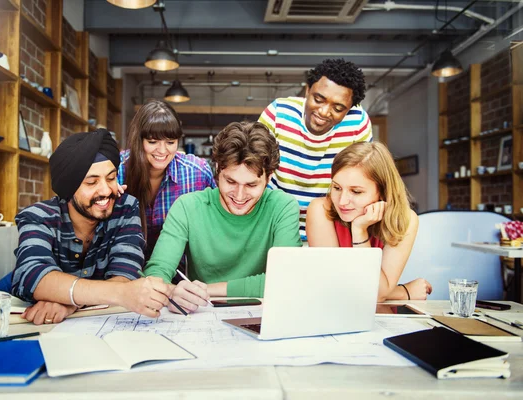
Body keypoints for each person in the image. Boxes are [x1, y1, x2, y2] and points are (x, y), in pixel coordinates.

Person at [11, 129, 172, 325]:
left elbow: (125, 276)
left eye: (111, 178)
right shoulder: (38, 216)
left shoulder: (125, 209)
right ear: (69, 189)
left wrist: (68, 302)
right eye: (91, 182)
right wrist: (114, 293)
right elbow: (32, 275)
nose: (105, 190)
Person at [144, 121, 302, 313]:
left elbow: (286, 279)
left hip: (263, 315)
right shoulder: (187, 207)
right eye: (230, 181)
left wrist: (206, 291)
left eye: (251, 185)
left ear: (268, 178)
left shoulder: (283, 207)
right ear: (217, 170)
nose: (240, 195)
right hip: (201, 315)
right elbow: (155, 274)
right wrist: (171, 292)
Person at [259, 58, 372, 239]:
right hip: (274, 224)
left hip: (328, 227)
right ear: (307, 90)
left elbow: (360, 179)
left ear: (349, 108)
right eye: (318, 99)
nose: (324, 112)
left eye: (338, 108)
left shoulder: (357, 122)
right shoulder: (278, 113)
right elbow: (256, 171)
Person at [306, 142, 432, 301]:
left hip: (380, 314)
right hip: (334, 310)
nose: (342, 201)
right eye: (337, 188)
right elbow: (333, 287)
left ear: (382, 191)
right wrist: (402, 292)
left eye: (356, 191)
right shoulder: (320, 210)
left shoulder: (405, 220)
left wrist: (359, 231)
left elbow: (377, 293)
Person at [118, 100, 216, 264]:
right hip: (122, 267)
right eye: (153, 142)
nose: (162, 151)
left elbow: (214, 224)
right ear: (138, 140)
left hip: (178, 271)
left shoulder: (197, 172)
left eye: (170, 142)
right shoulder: (116, 170)